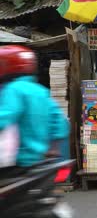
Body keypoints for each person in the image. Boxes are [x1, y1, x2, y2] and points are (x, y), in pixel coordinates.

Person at [0, 45, 69, 174]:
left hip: (17, 159)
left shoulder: (13, 89)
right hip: (39, 159)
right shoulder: (41, 91)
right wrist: (54, 146)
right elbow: (60, 120)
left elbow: (5, 117)